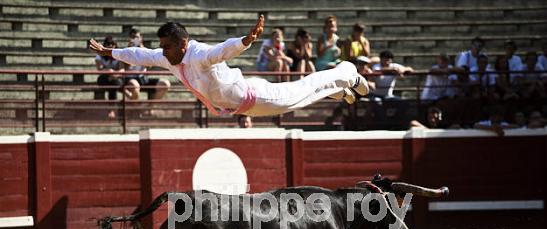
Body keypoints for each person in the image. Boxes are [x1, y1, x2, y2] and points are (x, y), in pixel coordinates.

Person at [89, 17, 369, 117]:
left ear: (183, 44)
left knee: (302, 90)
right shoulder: (168, 57)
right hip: (242, 104)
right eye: (162, 47)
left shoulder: (199, 54)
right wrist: (110, 52)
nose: (163, 52)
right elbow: (141, 54)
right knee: (302, 97)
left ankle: (345, 72)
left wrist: (246, 40)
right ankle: (338, 91)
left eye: (168, 46)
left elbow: (222, 50)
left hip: (254, 97)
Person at [124, 28, 171, 102]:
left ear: (141, 38)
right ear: (129, 39)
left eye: (137, 37)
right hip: (130, 78)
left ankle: (149, 107)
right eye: (133, 37)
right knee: (135, 86)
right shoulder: (125, 51)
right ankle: (134, 108)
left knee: (165, 84)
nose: (135, 39)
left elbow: (149, 66)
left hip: (143, 78)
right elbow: (126, 66)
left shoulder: (145, 50)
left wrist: (141, 49)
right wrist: (130, 48)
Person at [94, 36, 125, 119]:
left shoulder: (119, 55)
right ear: (105, 45)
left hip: (116, 78)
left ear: (115, 45)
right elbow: (100, 69)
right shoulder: (99, 55)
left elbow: (122, 70)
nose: (110, 46)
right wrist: (109, 72)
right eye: (108, 44)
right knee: (112, 83)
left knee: (113, 85)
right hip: (104, 77)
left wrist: (114, 74)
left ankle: (111, 110)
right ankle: (112, 109)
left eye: (112, 44)